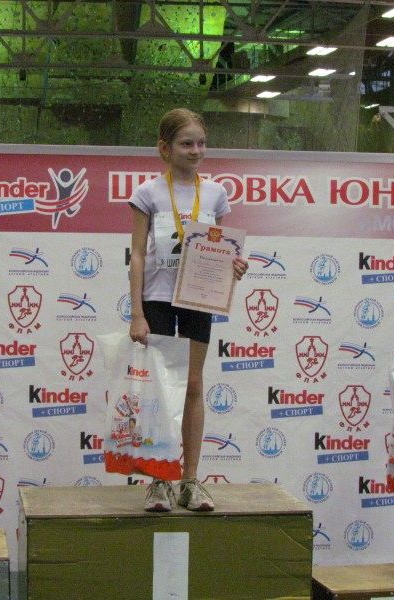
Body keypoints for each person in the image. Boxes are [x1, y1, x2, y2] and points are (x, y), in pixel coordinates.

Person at [128, 108, 247, 512]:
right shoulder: (147, 193)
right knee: (160, 390)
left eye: (201, 143)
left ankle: (190, 481)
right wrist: (137, 313)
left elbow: (223, 248)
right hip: (158, 298)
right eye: (186, 144)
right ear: (164, 148)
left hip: (199, 297)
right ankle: (159, 481)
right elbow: (138, 255)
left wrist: (235, 266)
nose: (196, 150)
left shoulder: (215, 194)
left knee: (193, 385)